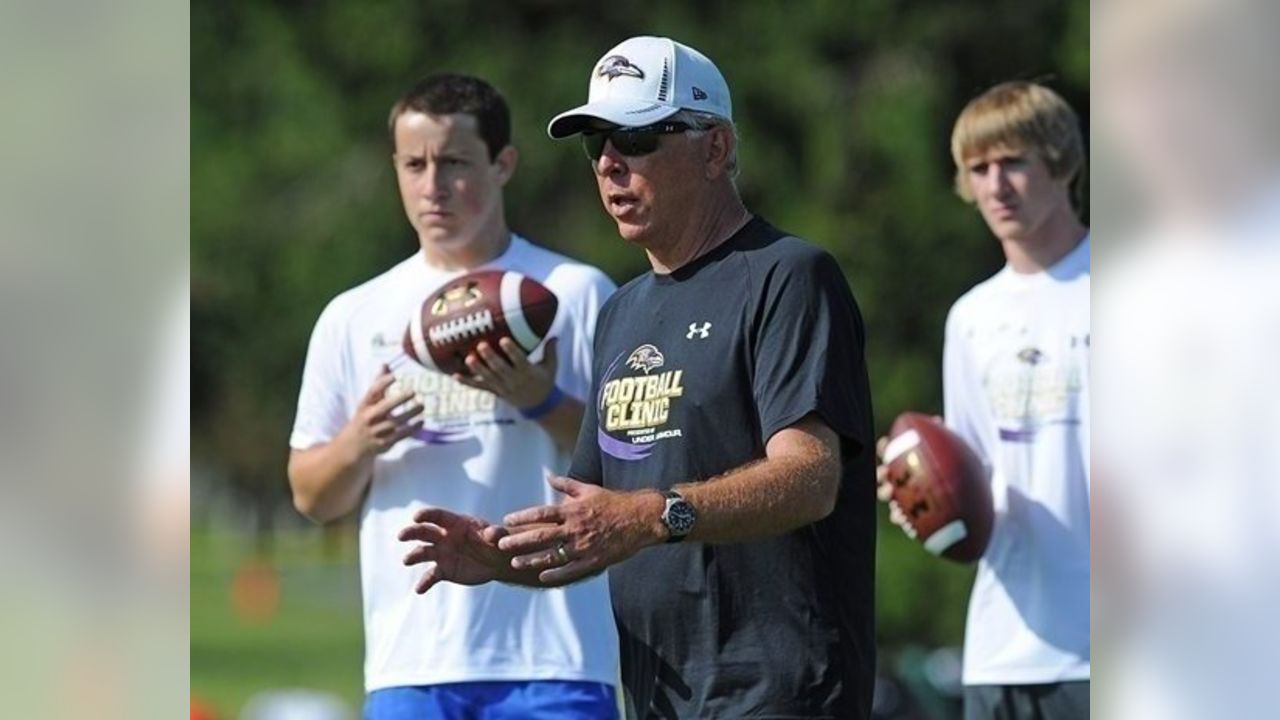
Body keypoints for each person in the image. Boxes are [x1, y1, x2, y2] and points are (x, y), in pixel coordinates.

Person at [399, 37, 877, 719]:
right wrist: (498, 557)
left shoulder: (789, 277)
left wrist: (654, 515)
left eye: (639, 137)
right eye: (594, 144)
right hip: (660, 698)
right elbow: (596, 522)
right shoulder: (622, 312)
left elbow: (811, 477)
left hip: (786, 694)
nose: (609, 163)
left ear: (715, 148)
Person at [287, 74, 620, 720]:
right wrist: (358, 442)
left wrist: (540, 400)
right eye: (414, 164)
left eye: (455, 162)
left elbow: (633, 459)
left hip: (556, 654)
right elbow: (310, 495)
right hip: (412, 662)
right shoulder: (354, 316)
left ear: (503, 165)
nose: (432, 185)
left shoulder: (575, 294)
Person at [879, 81, 1090, 719]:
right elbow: (972, 475)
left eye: (1014, 162)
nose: (995, 184)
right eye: (979, 168)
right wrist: (920, 492)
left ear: (1062, 162)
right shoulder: (971, 318)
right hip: (1003, 648)